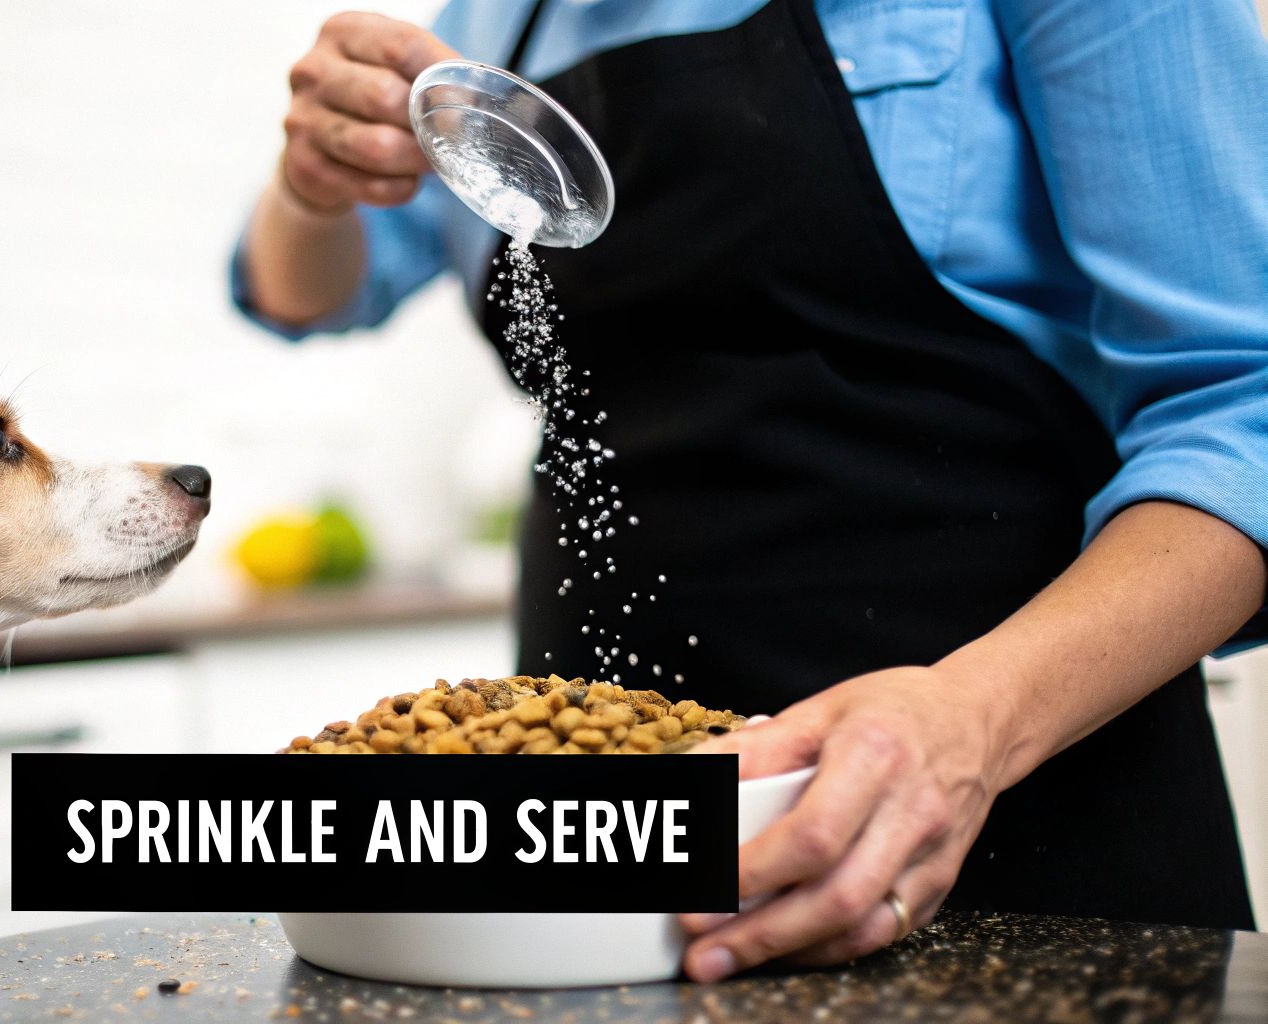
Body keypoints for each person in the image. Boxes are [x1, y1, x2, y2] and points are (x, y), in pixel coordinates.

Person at [230, 0, 1268, 981]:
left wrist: (976, 719)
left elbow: (1244, 407)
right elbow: (302, 292)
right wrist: (312, 187)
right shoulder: (502, 16)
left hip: (1022, 814)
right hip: (595, 887)